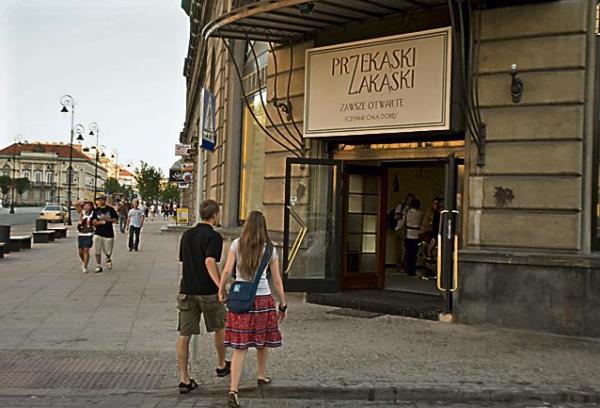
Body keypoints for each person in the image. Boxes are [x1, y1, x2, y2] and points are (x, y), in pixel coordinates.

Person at [218, 211, 287, 408]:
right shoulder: (270, 249)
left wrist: (221, 289)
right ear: (263, 227)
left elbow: (226, 270)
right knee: (262, 339)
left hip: (241, 299)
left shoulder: (236, 244)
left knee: (240, 347)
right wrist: (283, 304)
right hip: (263, 300)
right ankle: (261, 374)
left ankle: (233, 390)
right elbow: (277, 280)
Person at [176, 199, 230, 395]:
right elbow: (209, 261)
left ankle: (184, 378)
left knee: (184, 334)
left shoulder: (187, 235)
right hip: (208, 292)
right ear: (215, 215)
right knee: (219, 327)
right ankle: (221, 364)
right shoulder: (214, 237)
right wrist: (220, 286)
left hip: (187, 290)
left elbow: (184, 261)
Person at [92, 195, 118, 273]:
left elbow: (116, 219)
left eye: (102, 200)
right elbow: (93, 222)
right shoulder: (96, 210)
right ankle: (98, 265)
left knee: (108, 251)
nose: (100, 201)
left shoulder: (110, 209)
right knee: (97, 249)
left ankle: (108, 258)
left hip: (108, 233)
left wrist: (108, 220)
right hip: (98, 232)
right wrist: (97, 223)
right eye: (99, 200)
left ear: (105, 200)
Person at [400, 199, 422, 277]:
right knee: (414, 254)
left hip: (408, 234)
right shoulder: (420, 213)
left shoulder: (407, 212)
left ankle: (408, 269)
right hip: (416, 234)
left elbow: (403, 222)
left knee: (408, 253)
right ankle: (412, 270)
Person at [393, 193, 415, 273]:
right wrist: (404, 213)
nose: (409, 201)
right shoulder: (401, 206)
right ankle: (399, 266)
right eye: (408, 199)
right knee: (400, 249)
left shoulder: (412, 208)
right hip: (400, 228)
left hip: (408, 229)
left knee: (406, 249)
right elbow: (396, 216)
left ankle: (405, 266)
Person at [421, 197, 443, 261]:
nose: (436, 205)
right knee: (432, 242)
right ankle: (428, 254)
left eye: (437, 203)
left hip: (437, 231)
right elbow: (427, 221)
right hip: (429, 231)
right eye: (435, 203)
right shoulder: (430, 211)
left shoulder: (440, 212)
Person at [77, 201, 95, 273]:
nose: (87, 207)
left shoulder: (93, 213)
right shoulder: (82, 212)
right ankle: (84, 261)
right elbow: (76, 205)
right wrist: (80, 203)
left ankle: (85, 266)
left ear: (91, 207)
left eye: (88, 205)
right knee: (80, 252)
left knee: (86, 249)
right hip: (81, 234)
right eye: (85, 205)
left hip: (89, 234)